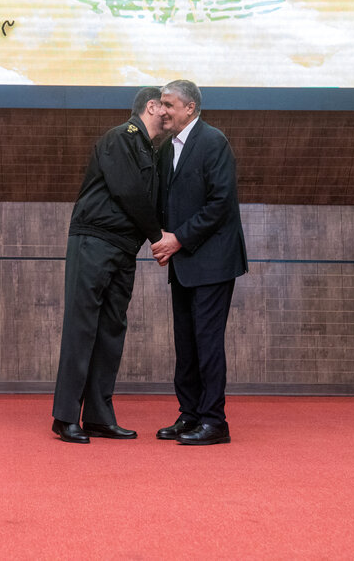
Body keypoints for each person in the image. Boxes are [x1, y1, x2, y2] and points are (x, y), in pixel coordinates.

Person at [51, 87, 168, 444]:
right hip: (95, 242)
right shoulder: (120, 138)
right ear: (152, 106)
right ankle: (65, 416)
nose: (171, 113)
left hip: (121, 248)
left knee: (111, 331)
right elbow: (128, 190)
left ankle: (99, 417)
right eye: (166, 106)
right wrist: (158, 235)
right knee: (82, 326)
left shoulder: (150, 149)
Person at [151, 80, 248, 446]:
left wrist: (178, 239)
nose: (162, 110)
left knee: (206, 343)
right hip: (183, 262)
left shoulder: (213, 141)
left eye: (168, 104)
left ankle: (214, 421)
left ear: (189, 108)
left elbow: (220, 204)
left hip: (212, 262)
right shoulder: (165, 151)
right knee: (186, 343)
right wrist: (160, 238)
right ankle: (190, 414)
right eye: (160, 104)